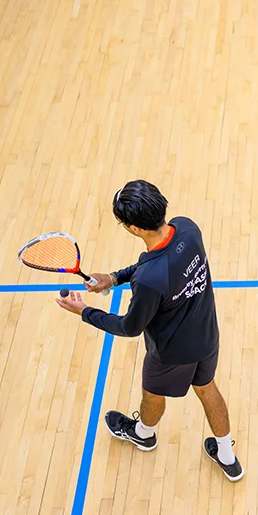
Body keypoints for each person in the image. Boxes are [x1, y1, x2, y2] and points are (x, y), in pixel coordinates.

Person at [55, 179, 244, 482]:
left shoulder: (149, 281)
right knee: (207, 389)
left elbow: (129, 327)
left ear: (134, 228)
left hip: (170, 353)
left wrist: (85, 312)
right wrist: (115, 278)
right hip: (208, 334)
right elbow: (155, 262)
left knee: (152, 396)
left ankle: (144, 434)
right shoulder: (187, 228)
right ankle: (227, 455)